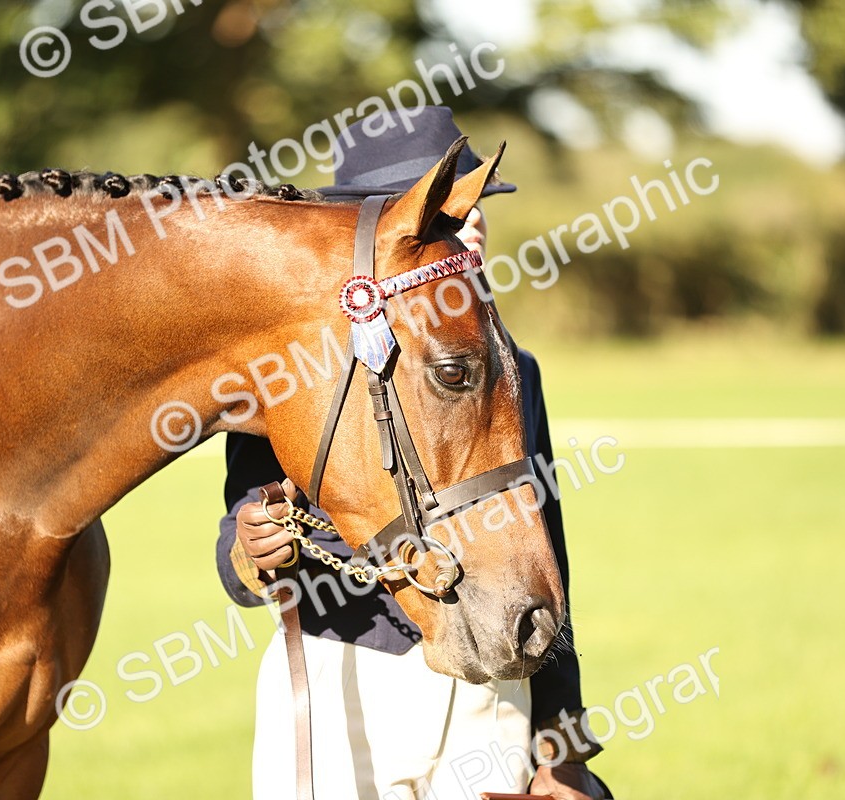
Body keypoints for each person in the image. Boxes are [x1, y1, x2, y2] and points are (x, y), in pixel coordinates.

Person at [216, 107, 607, 800]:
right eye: (442, 218)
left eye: (470, 212)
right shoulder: (285, 373)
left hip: (493, 690)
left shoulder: (514, 370)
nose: (469, 225)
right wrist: (254, 549)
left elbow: (548, 555)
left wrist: (563, 746)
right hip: (345, 677)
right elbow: (235, 553)